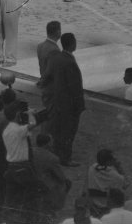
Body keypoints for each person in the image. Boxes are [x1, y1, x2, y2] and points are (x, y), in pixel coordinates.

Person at [44, 32, 84, 167]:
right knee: (68, 132)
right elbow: (75, 88)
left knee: (59, 130)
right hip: (69, 104)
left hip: (57, 101)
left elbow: (47, 77)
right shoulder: (69, 62)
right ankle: (65, 158)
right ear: (72, 44)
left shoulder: (56, 58)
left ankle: (58, 153)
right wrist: (79, 106)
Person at [87, 149, 129, 216]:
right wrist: (119, 167)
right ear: (109, 162)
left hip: (93, 207)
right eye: (113, 158)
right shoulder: (115, 177)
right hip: (108, 208)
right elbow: (126, 184)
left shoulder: (91, 169)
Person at [37, 20, 62, 113]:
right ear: (57, 32)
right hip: (52, 87)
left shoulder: (40, 46)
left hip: (45, 86)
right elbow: (53, 71)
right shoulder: (55, 50)